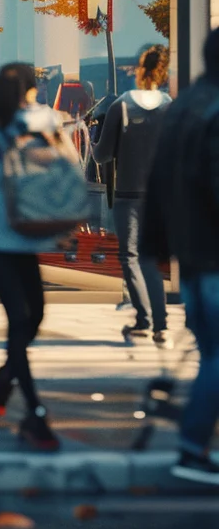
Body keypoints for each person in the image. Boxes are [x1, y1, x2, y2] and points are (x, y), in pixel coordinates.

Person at [0, 63, 65, 452]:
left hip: (13, 238)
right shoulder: (36, 120)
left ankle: (1, 379)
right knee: (21, 320)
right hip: (3, 239)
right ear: (30, 92)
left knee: (32, 317)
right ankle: (35, 413)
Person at [141, 27, 219, 484]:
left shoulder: (184, 106)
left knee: (211, 354)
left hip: (191, 257)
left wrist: (155, 247)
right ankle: (191, 449)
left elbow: (159, 182)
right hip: (212, 254)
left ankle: (195, 447)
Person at [95, 46, 172, 348]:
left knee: (130, 257)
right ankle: (161, 327)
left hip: (127, 195)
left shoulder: (122, 105)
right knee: (151, 259)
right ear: (163, 72)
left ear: (140, 70)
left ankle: (143, 319)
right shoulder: (169, 106)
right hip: (158, 198)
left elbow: (102, 156)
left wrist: (95, 139)